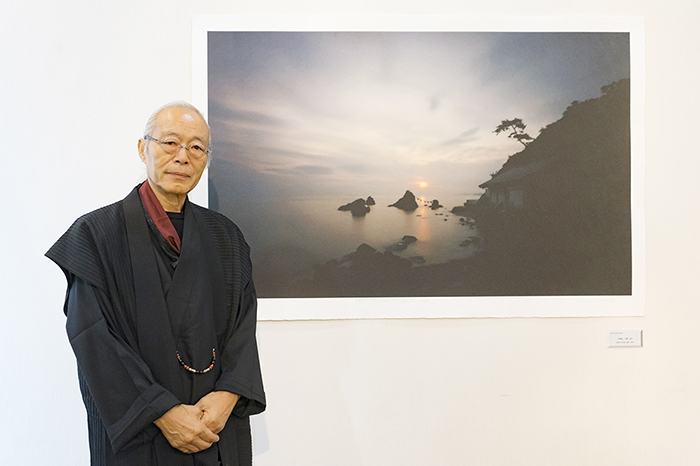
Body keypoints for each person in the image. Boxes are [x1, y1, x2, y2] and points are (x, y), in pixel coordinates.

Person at [46, 102, 266, 466]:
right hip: (139, 433)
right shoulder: (96, 235)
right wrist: (162, 412)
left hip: (214, 427)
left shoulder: (227, 238)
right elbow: (93, 339)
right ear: (142, 148)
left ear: (206, 159)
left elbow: (243, 330)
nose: (183, 157)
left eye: (196, 147)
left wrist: (227, 395)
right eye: (170, 143)